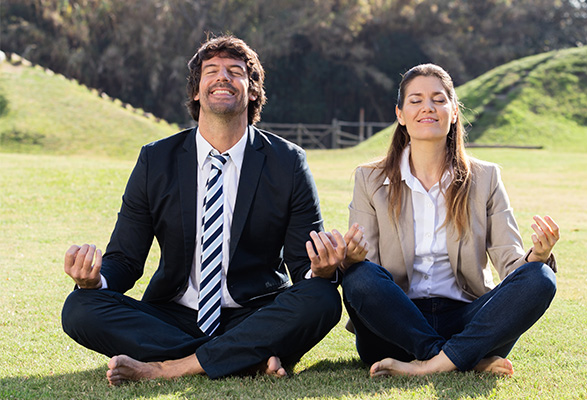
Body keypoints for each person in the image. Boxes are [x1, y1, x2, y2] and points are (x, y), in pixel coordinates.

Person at [61, 35, 363, 385]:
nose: (223, 77)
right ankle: (241, 357)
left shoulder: (288, 162)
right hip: (173, 314)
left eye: (236, 71)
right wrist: (94, 280)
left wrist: (321, 269)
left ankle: (170, 367)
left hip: (255, 312)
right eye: (211, 71)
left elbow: (301, 266)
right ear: (196, 90)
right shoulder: (155, 160)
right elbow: (125, 260)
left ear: (252, 92)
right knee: (80, 307)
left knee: (322, 298)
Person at [341, 63, 559, 377]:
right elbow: (370, 275)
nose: (427, 107)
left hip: (468, 320)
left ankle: (429, 366)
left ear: (454, 111)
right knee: (359, 277)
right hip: (396, 324)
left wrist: (538, 255)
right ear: (400, 114)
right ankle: (460, 359)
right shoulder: (369, 178)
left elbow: (511, 264)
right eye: (415, 100)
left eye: (438, 99)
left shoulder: (486, 177)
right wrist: (353, 258)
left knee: (540, 276)